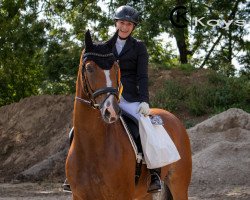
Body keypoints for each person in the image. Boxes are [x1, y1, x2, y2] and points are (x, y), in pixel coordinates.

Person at [63, 5, 161, 194]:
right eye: (122, 23)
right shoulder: (103, 46)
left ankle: (153, 173)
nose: (125, 27)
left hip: (129, 98)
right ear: (116, 23)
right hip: (105, 96)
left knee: (144, 126)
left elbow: (142, 76)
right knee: (76, 131)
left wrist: (144, 101)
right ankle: (72, 174)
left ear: (133, 27)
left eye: (129, 24)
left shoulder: (138, 47)